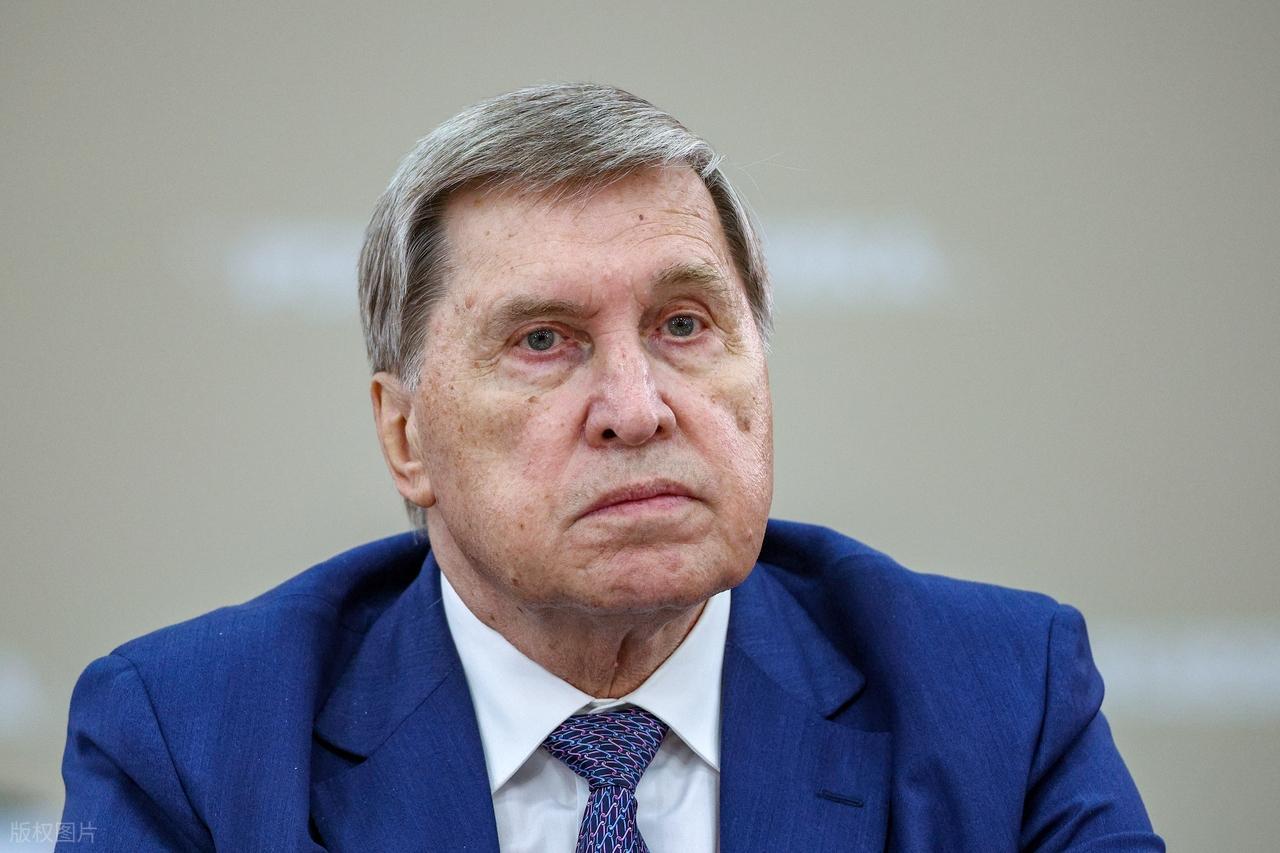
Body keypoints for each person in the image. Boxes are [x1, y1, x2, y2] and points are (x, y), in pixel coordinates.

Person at [56, 83, 1164, 852]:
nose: (636, 409)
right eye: (543, 340)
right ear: (404, 436)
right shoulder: (192, 738)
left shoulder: (995, 696)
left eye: (684, 325)